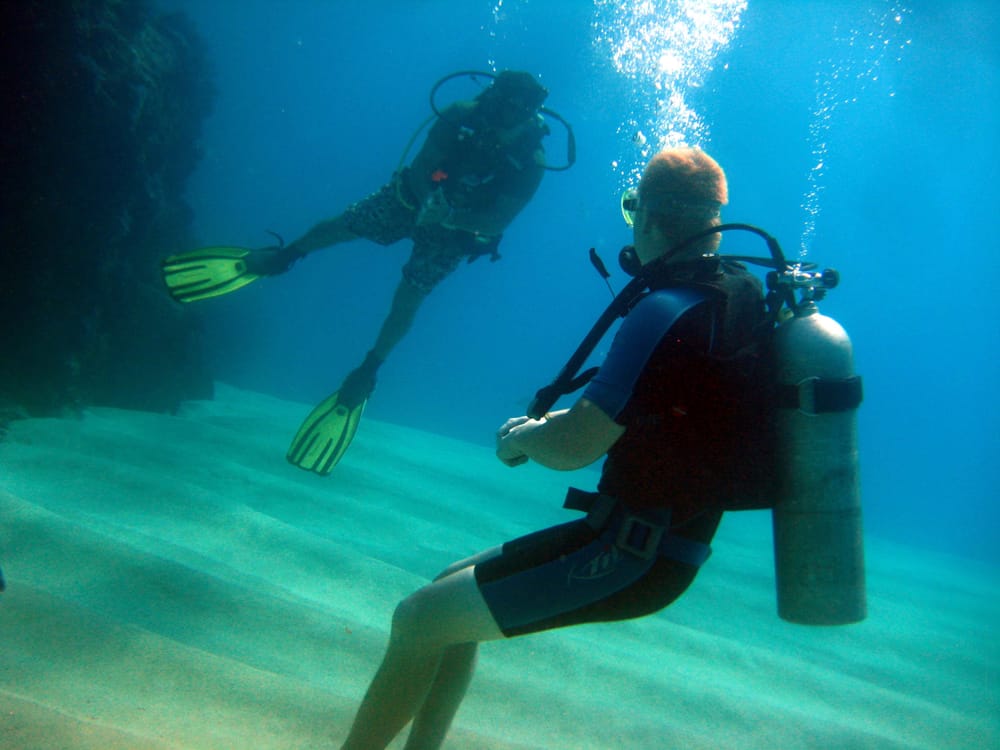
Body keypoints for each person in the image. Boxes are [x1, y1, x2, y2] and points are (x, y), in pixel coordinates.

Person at [338, 147, 772, 749]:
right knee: (446, 598)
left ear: (646, 218)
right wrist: (548, 427)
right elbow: (642, 409)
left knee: (418, 619)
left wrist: (524, 438)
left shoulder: (661, 310)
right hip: (656, 542)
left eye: (632, 212)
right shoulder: (729, 298)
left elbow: (574, 447)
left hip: (630, 554)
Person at [161, 70, 557, 473]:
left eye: (518, 111)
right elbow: (424, 165)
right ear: (493, 97)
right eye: (504, 105)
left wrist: (451, 217)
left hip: (457, 233)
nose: (506, 117)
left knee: (409, 296)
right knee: (342, 226)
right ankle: (284, 256)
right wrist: (429, 199)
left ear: (530, 115)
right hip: (410, 199)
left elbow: (497, 220)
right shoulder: (460, 115)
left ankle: (367, 371)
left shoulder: (531, 162)